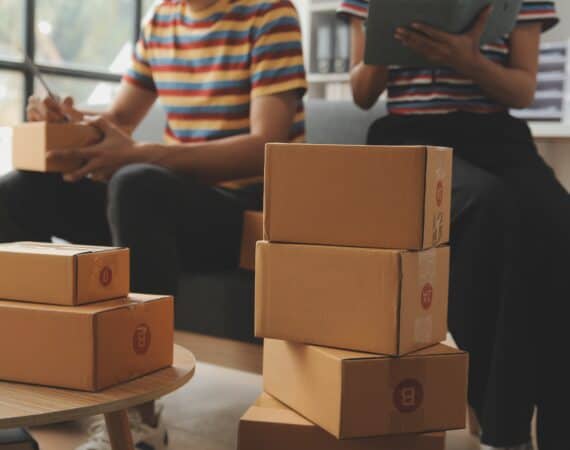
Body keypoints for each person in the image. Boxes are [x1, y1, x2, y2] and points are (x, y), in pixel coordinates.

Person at [0, 0, 306, 449]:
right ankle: (36, 386)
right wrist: (66, 119)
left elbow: (267, 145)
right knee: (21, 186)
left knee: (137, 183)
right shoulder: (164, 19)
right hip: (163, 198)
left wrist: (143, 154)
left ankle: (139, 418)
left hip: (246, 209)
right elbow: (120, 119)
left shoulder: (269, 14)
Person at [338, 1, 569, 450]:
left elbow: (522, 91)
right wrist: (391, 39)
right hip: (408, 138)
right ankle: (503, 428)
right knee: (488, 212)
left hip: (495, 138)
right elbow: (362, 92)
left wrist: (468, 61)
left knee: (559, 228)